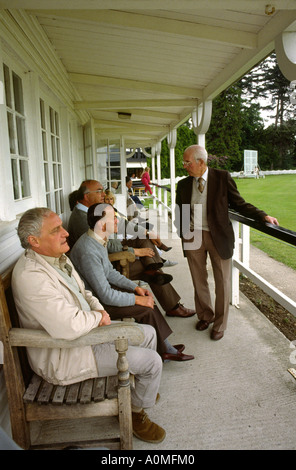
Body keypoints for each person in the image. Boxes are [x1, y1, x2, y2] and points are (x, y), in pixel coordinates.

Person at [11, 207, 166, 444]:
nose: (65, 233)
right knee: (152, 361)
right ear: (34, 241)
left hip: (86, 333)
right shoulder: (31, 277)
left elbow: (86, 292)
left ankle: (139, 396)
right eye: (56, 230)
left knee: (147, 333)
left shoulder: (58, 259)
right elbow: (67, 326)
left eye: (62, 227)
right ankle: (136, 414)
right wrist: (99, 317)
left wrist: (98, 310)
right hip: (67, 354)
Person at [176, 144, 279, 341]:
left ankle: (220, 324)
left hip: (218, 236)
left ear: (201, 162)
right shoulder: (183, 184)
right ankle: (206, 315)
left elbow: (239, 203)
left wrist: (263, 215)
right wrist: (184, 234)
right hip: (193, 236)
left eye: (188, 162)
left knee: (222, 281)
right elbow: (180, 211)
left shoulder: (222, 178)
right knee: (198, 280)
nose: (184, 166)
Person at [70, 203, 194, 362]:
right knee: (145, 307)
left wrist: (135, 288)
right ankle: (165, 350)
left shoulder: (97, 238)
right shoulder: (88, 251)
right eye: (113, 218)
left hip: (102, 293)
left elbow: (110, 272)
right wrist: (137, 299)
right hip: (97, 305)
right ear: (101, 224)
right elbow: (105, 296)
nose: (117, 221)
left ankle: (164, 346)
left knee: (146, 296)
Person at [67, 180, 106, 249]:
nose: (104, 194)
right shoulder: (82, 219)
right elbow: (102, 244)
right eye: (99, 191)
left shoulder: (85, 212)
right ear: (87, 197)